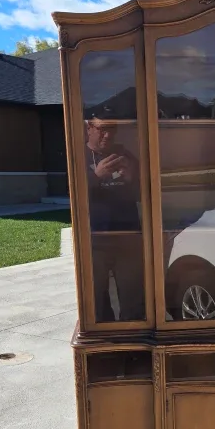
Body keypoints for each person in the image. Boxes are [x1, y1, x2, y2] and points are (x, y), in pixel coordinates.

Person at [85, 118, 145, 321]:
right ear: (89, 128)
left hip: (128, 237)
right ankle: (105, 346)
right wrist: (96, 176)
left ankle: (133, 344)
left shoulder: (125, 155)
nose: (108, 135)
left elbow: (145, 194)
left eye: (112, 129)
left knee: (133, 297)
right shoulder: (78, 156)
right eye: (102, 129)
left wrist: (131, 180)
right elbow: (70, 194)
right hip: (93, 239)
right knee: (97, 299)